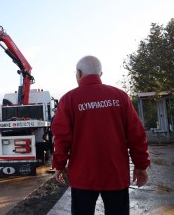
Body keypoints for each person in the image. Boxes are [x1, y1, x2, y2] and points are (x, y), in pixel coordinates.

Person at [52, 55, 150, 215]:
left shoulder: (69, 99)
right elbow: (136, 134)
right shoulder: (120, 96)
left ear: (78, 72)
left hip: (83, 176)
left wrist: (60, 165)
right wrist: (141, 165)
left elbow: (61, 138)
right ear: (100, 74)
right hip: (116, 175)